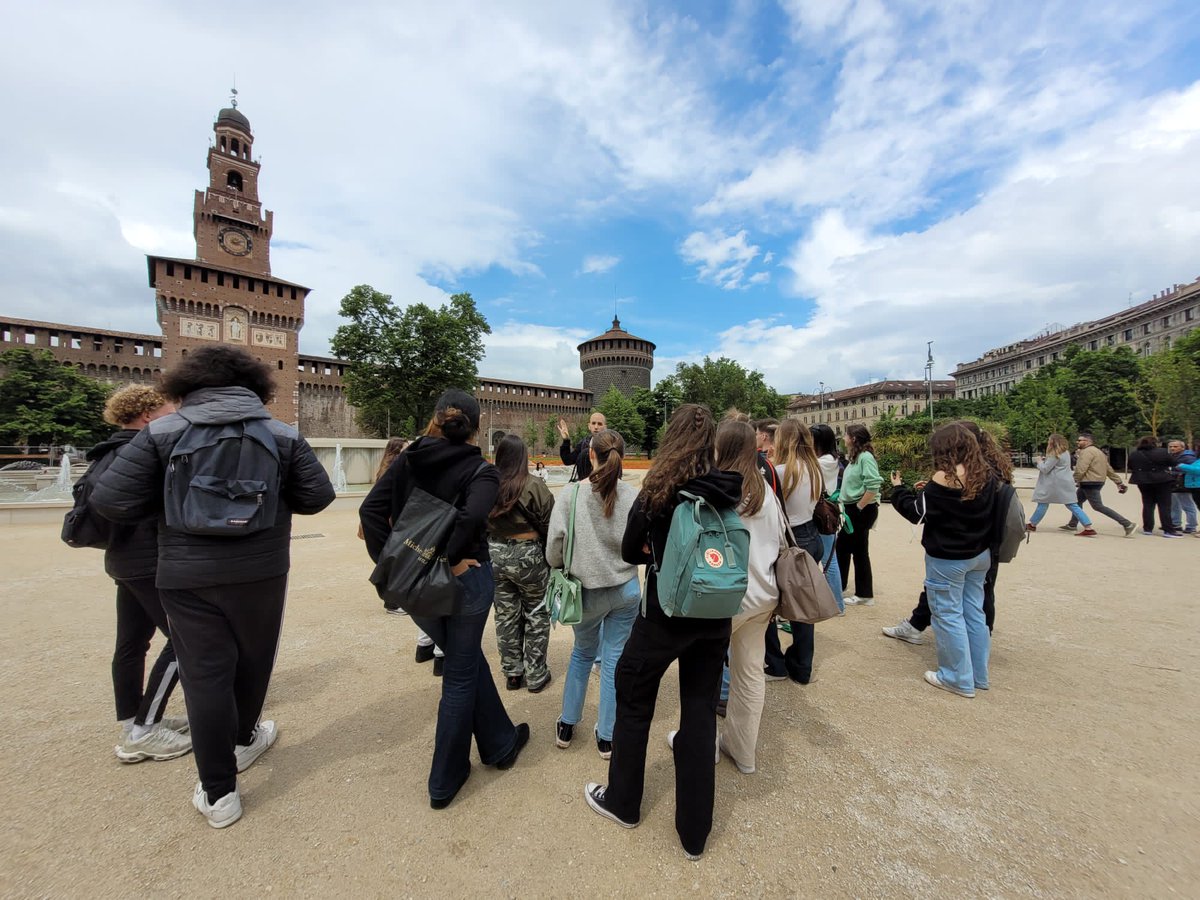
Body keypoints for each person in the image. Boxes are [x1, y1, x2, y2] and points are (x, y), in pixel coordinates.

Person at [91, 346, 335, 829]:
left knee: (204, 676)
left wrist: (172, 507)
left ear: (188, 384)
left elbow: (111, 500)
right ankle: (244, 740)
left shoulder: (162, 431)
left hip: (186, 574)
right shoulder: (282, 434)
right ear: (256, 386)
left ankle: (219, 794)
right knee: (254, 662)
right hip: (261, 571)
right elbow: (317, 497)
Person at [583, 404, 741, 861]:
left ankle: (624, 801)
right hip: (715, 614)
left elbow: (630, 550)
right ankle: (694, 833)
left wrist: (657, 549)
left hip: (666, 615)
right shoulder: (729, 487)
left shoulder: (660, 489)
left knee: (633, 697)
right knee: (699, 713)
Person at [360, 390, 529, 810]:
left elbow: (369, 512)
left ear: (436, 419)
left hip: (415, 586)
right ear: (477, 426)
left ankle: (500, 742)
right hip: (464, 582)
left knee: (464, 659)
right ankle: (445, 777)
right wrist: (449, 561)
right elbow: (471, 518)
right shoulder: (481, 471)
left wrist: (395, 565)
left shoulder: (409, 458)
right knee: (459, 674)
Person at [88, 385, 192, 764]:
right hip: (150, 561)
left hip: (124, 561)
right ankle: (144, 730)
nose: (175, 415)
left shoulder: (108, 451)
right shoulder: (143, 452)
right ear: (148, 415)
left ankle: (133, 720)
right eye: (169, 410)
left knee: (131, 643)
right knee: (186, 640)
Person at [547, 429, 639, 759]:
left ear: (590, 455)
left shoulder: (571, 495)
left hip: (585, 592)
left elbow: (554, 549)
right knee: (614, 659)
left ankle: (567, 724)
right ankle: (607, 737)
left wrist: (562, 564)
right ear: (622, 458)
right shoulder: (632, 495)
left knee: (583, 654)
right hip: (625, 589)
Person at [890, 423, 1000, 698]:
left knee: (948, 615)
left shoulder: (944, 477)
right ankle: (977, 675)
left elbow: (917, 512)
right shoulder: (986, 472)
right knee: (974, 613)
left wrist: (899, 490)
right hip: (979, 554)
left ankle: (956, 678)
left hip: (949, 557)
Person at [714, 420, 786, 775]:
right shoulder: (764, 491)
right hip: (764, 596)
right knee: (750, 674)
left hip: (728, 598)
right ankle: (743, 752)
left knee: (705, 673)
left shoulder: (721, 490)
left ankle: (701, 744)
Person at [488, 434, 555, 692]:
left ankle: (513, 673)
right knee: (536, 612)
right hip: (528, 555)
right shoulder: (534, 485)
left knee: (505, 615)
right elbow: (551, 523)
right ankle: (536, 674)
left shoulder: (488, 484)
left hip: (496, 554)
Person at [763, 419, 824, 684]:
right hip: (811, 535)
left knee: (767, 601)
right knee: (803, 606)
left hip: (788, 538)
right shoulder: (815, 467)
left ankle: (774, 662)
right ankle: (801, 664)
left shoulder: (780, 471)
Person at [836, 424, 882, 606]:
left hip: (861, 509)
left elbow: (873, 485)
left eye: (846, 435)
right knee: (847, 548)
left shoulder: (865, 457)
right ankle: (842, 586)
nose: (844, 438)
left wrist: (859, 506)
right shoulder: (857, 457)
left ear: (853, 438)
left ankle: (863, 593)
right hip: (854, 507)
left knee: (856, 550)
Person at [1060, 433, 1134, 537]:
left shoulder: (1086, 452)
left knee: (1098, 506)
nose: (1077, 442)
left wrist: (1074, 480)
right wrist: (1118, 482)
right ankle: (1073, 524)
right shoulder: (1099, 452)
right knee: (1076, 502)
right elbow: (1108, 469)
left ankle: (1127, 524)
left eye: (1080, 440)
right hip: (1096, 482)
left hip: (1089, 482)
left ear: (1087, 441)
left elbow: (1081, 469)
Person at [1026, 434, 1095, 536]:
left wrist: (1039, 461)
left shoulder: (1054, 453)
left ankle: (1032, 524)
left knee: (1043, 502)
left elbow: (1045, 469)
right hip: (1066, 482)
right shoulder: (1065, 452)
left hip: (1053, 484)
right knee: (1072, 505)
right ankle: (1088, 526)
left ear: (1052, 442)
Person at [810, 423, 845, 614]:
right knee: (829, 559)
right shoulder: (831, 459)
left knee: (828, 561)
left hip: (823, 513)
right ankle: (836, 602)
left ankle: (837, 604)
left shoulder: (823, 462)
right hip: (827, 511)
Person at [1129, 436, 1181, 537]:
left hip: (1142, 480)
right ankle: (1168, 530)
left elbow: (1130, 466)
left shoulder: (1135, 454)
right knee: (1164, 505)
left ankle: (1148, 528)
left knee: (1147, 504)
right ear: (1155, 443)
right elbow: (1173, 463)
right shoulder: (1162, 452)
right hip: (1162, 480)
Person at [558, 411, 607, 482]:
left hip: (604, 483)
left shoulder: (610, 444)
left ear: (605, 427)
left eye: (599, 424)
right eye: (593, 423)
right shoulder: (584, 443)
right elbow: (568, 460)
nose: (596, 427)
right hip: (585, 483)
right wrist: (566, 440)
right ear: (589, 426)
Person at [1167, 439, 1198, 534]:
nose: (1172, 448)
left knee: (1187, 505)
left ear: (1182, 447)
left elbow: (1193, 470)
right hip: (1175, 484)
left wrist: (1172, 472)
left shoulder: (1188, 457)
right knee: (1174, 505)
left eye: (1175, 446)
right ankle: (1176, 523)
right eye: (1170, 446)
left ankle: (1191, 526)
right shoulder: (1173, 456)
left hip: (1183, 484)